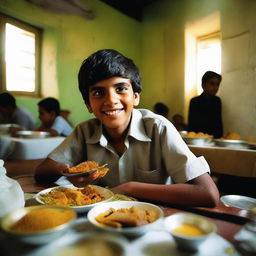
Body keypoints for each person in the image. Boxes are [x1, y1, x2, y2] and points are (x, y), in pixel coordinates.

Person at [35, 49, 219, 207]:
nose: (111, 100)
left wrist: (129, 188)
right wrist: (68, 171)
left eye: (121, 88)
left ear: (136, 96)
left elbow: (208, 193)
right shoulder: (85, 131)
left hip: (154, 219)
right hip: (101, 222)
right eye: (98, 92)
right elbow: (42, 171)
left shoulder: (158, 127)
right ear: (89, 105)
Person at [188, 71, 223, 138]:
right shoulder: (194, 101)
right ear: (203, 85)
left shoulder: (217, 101)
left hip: (213, 140)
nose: (215, 87)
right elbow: (191, 125)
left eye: (217, 84)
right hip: (197, 139)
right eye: (212, 84)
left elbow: (219, 124)